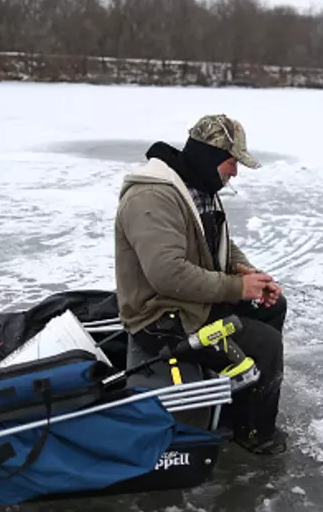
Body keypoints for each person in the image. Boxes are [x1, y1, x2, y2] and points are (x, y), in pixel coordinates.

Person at [114, 113, 288, 455]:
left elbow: (221, 241)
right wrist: (238, 289)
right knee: (265, 346)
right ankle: (254, 434)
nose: (235, 172)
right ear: (210, 157)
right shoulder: (153, 197)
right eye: (231, 163)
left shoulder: (199, 187)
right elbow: (167, 274)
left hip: (192, 299)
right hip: (162, 317)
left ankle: (241, 398)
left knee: (272, 307)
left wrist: (250, 275)